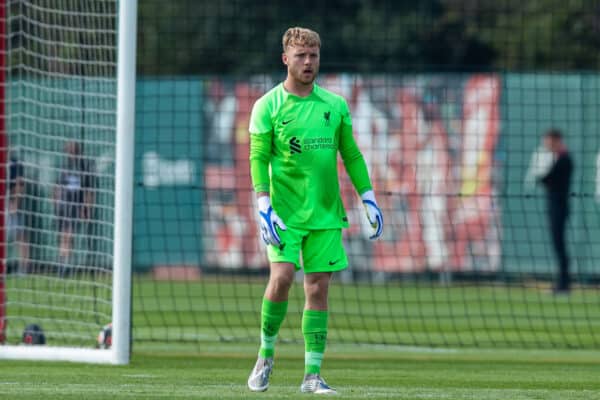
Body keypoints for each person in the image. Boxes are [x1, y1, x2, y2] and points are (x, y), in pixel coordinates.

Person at [246, 27, 383, 394]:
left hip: (324, 212)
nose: (309, 63)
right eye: (301, 56)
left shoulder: (335, 105)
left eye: (314, 56)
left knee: (318, 288)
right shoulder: (268, 106)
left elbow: (350, 154)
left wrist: (367, 196)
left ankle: (312, 375)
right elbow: (258, 157)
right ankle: (266, 353)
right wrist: (263, 203)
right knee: (282, 279)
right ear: (285, 59)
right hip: (283, 214)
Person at [538, 129, 573, 294]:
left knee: (560, 247)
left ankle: (563, 284)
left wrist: (545, 179)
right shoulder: (557, 158)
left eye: (548, 141)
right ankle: (562, 283)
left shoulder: (564, 159)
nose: (546, 144)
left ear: (557, 140)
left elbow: (547, 179)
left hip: (559, 207)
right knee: (558, 246)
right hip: (555, 207)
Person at [54, 141, 96, 277]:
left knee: (69, 234)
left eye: (72, 149)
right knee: (64, 235)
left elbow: (89, 190)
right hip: (64, 205)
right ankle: (63, 263)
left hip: (76, 206)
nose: (69, 152)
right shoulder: (65, 166)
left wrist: (87, 207)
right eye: (68, 149)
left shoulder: (85, 167)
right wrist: (56, 202)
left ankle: (66, 264)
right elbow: (58, 186)